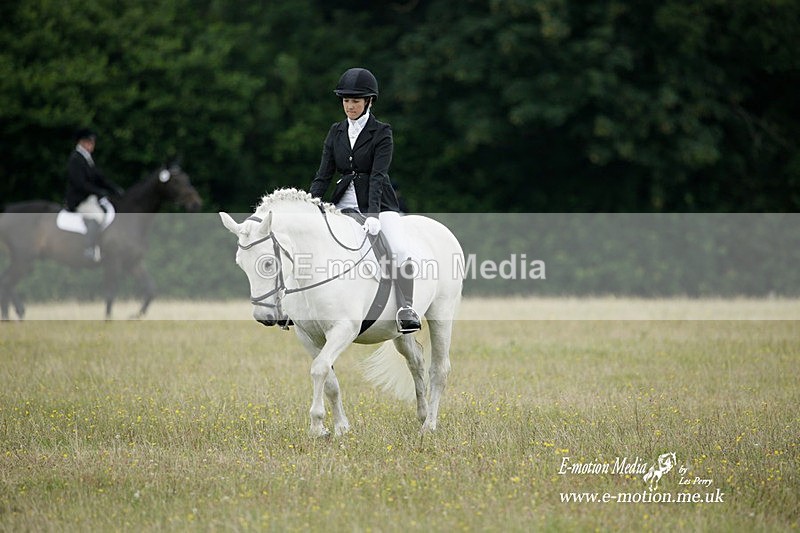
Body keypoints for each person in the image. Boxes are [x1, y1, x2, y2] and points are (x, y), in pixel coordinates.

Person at [309, 67, 421, 333]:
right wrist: (310, 205)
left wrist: (372, 215)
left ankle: (406, 307)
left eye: (356, 101)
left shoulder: (382, 132)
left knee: (399, 249)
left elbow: (378, 176)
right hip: (341, 203)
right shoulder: (335, 132)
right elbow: (323, 175)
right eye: (346, 101)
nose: (350, 106)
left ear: (369, 101)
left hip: (379, 204)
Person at [64, 128, 123, 261]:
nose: (92, 145)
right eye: (90, 142)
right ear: (83, 143)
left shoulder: (87, 158)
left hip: (89, 198)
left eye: (93, 143)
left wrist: (114, 189)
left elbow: (99, 178)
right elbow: (80, 184)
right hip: (79, 200)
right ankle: (89, 249)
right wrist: (99, 192)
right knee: (98, 215)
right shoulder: (76, 158)